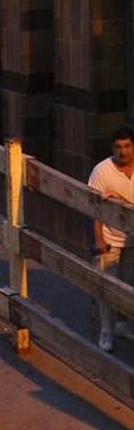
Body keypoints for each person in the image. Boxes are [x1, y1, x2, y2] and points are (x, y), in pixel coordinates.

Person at [87, 126, 134, 352]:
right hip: (109, 237)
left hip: (132, 239)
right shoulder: (102, 171)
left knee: (129, 285)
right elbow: (95, 207)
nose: (123, 151)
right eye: (118, 147)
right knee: (107, 286)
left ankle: (124, 326)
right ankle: (106, 331)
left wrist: (122, 200)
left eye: (127, 146)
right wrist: (98, 240)